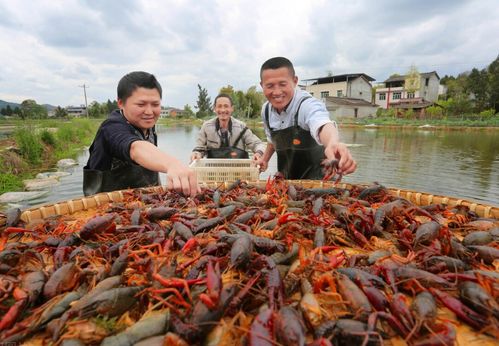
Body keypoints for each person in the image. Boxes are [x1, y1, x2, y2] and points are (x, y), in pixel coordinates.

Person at [83, 71, 198, 197]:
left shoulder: (149, 127)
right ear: (121, 103)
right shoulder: (111, 128)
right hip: (107, 208)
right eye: (141, 104)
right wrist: (173, 164)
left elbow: (150, 157)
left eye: (155, 104)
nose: (149, 112)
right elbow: (135, 148)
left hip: (149, 204)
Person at [256, 57, 357, 179]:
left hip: (320, 182)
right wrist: (265, 159)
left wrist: (332, 143)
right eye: (270, 86)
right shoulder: (266, 110)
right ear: (262, 85)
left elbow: (322, 123)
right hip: (288, 184)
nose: (277, 92)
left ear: (295, 81)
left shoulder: (306, 105)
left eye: (283, 84)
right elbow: (272, 140)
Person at [190, 93, 266, 163]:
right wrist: (196, 154)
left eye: (226, 106)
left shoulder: (242, 127)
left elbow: (258, 144)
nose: (223, 110)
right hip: (213, 172)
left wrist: (258, 153)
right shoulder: (206, 126)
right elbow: (199, 148)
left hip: (239, 172)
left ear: (232, 108)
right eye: (219, 106)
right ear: (214, 108)